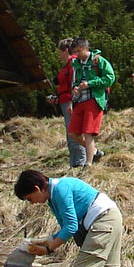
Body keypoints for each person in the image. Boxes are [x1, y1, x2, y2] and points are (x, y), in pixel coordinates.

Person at [66, 37, 114, 167]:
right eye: (75, 51)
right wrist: (75, 88)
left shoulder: (99, 61)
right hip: (80, 100)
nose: (77, 54)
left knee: (88, 132)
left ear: (87, 48)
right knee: (72, 133)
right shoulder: (76, 64)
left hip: (94, 99)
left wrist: (90, 83)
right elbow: (75, 81)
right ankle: (95, 152)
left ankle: (89, 163)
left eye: (79, 50)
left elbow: (110, 78)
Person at [45, 39, 87, 171]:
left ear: (65, 51)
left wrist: (71, 102)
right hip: (66, 101)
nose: (59, 55)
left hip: (71, 102)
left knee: (74, 131)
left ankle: (80, 162)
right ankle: (74, 162)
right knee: (71, 132)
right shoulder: (69, 65)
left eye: (60, 52)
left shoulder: (73, 64)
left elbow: (72, 84)